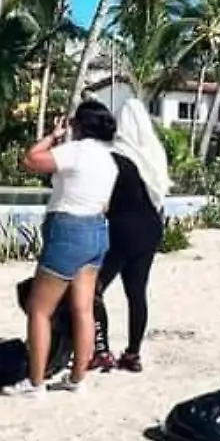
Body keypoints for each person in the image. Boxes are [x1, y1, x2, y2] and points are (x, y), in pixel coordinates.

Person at [6, 101, 118, 397]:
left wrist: (53, 136)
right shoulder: (109, 159)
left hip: (69, 229)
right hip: (96, 230)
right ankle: (78, 378)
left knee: (39, 309)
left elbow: (31, 160)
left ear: (78, 125)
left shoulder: (76, 151)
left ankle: (35, 382)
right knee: (83, 309)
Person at [93, 98, 170, 373]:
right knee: (136, 292)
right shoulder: (153, 153)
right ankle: (133, 353)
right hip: (150, 227)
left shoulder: (115, 155)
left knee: (94, 289)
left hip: (122, 230)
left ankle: (100, 350)